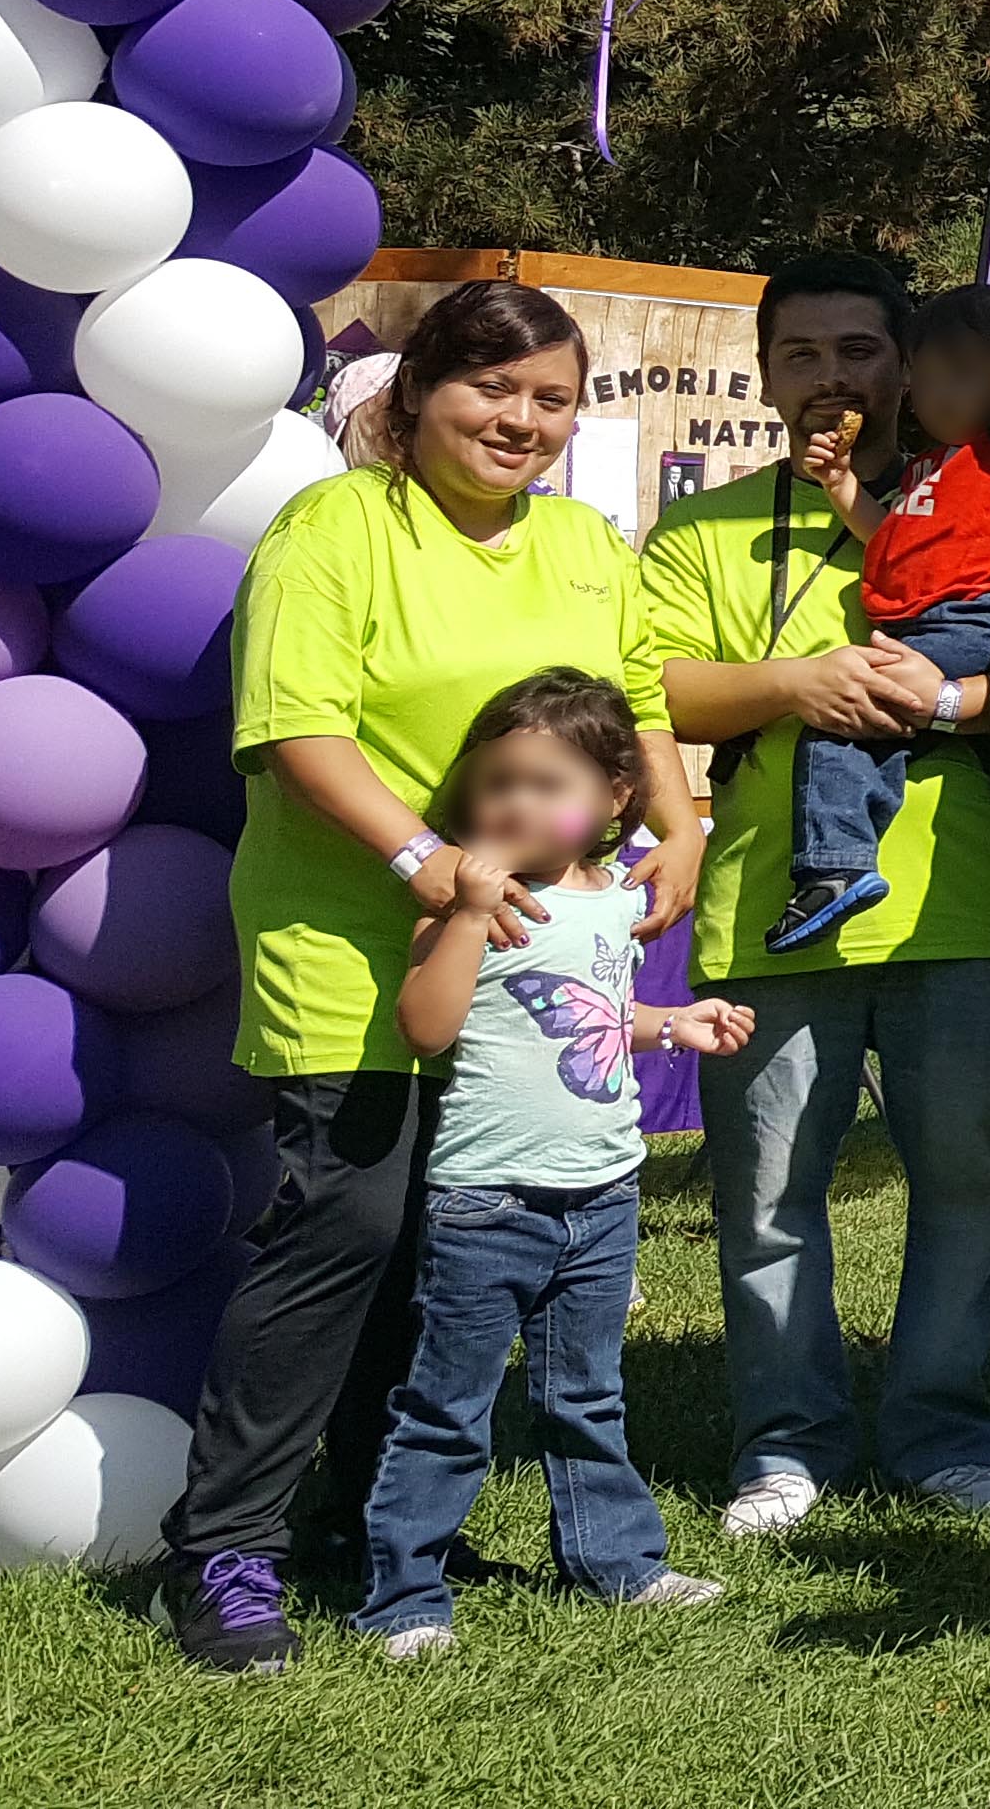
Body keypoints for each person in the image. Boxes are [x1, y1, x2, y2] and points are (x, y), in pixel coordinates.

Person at [171, 279, 702, 1675]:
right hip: (343, 954)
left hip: (520, 989)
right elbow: (297, 728)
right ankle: (228, 1549)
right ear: (416, 396)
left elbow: (640, 699)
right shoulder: (336, 527)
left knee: (441, 1258)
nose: (519, 420)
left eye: (550, 399)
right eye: (492, 388)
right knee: (342, 1236)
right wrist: (431, 868)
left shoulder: (586, 544)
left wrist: (685, 820)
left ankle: (378, 1522)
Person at [648, 260, 990, 1544]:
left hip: (965, 905)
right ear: (766, 375)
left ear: (913, 366)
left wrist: (942, 696)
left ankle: (944, 1434)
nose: (833, 378)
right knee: (768, 1197)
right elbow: (652, 689)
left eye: (862, 351)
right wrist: (796, 685)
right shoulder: (700, 531)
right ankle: (787, 1445)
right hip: (770, 915)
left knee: (964, 1188)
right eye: (803, 355)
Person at [354, 670, 751, 1655]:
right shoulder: (464, 905)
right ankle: (405, 1595)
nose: (517, 804)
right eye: (497, 784)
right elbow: (427, 1027)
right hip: (488, 1203)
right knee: (447, 1404)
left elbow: (594, 1021)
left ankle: (616, 1562)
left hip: (604, 1195)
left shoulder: (613, 902)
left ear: (615, 799)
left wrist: (670, 1026)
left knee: (587, 1394)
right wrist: (459, 916)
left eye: (546, 783)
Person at [765, 279, 990, 963]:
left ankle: (835, 864)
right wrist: (842, 489)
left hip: (971, 617)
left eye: (964, 374)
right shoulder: (930, 467)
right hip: (953, 625)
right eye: (926, 379)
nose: (941, 394)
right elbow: (888, 537)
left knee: (847, 714)